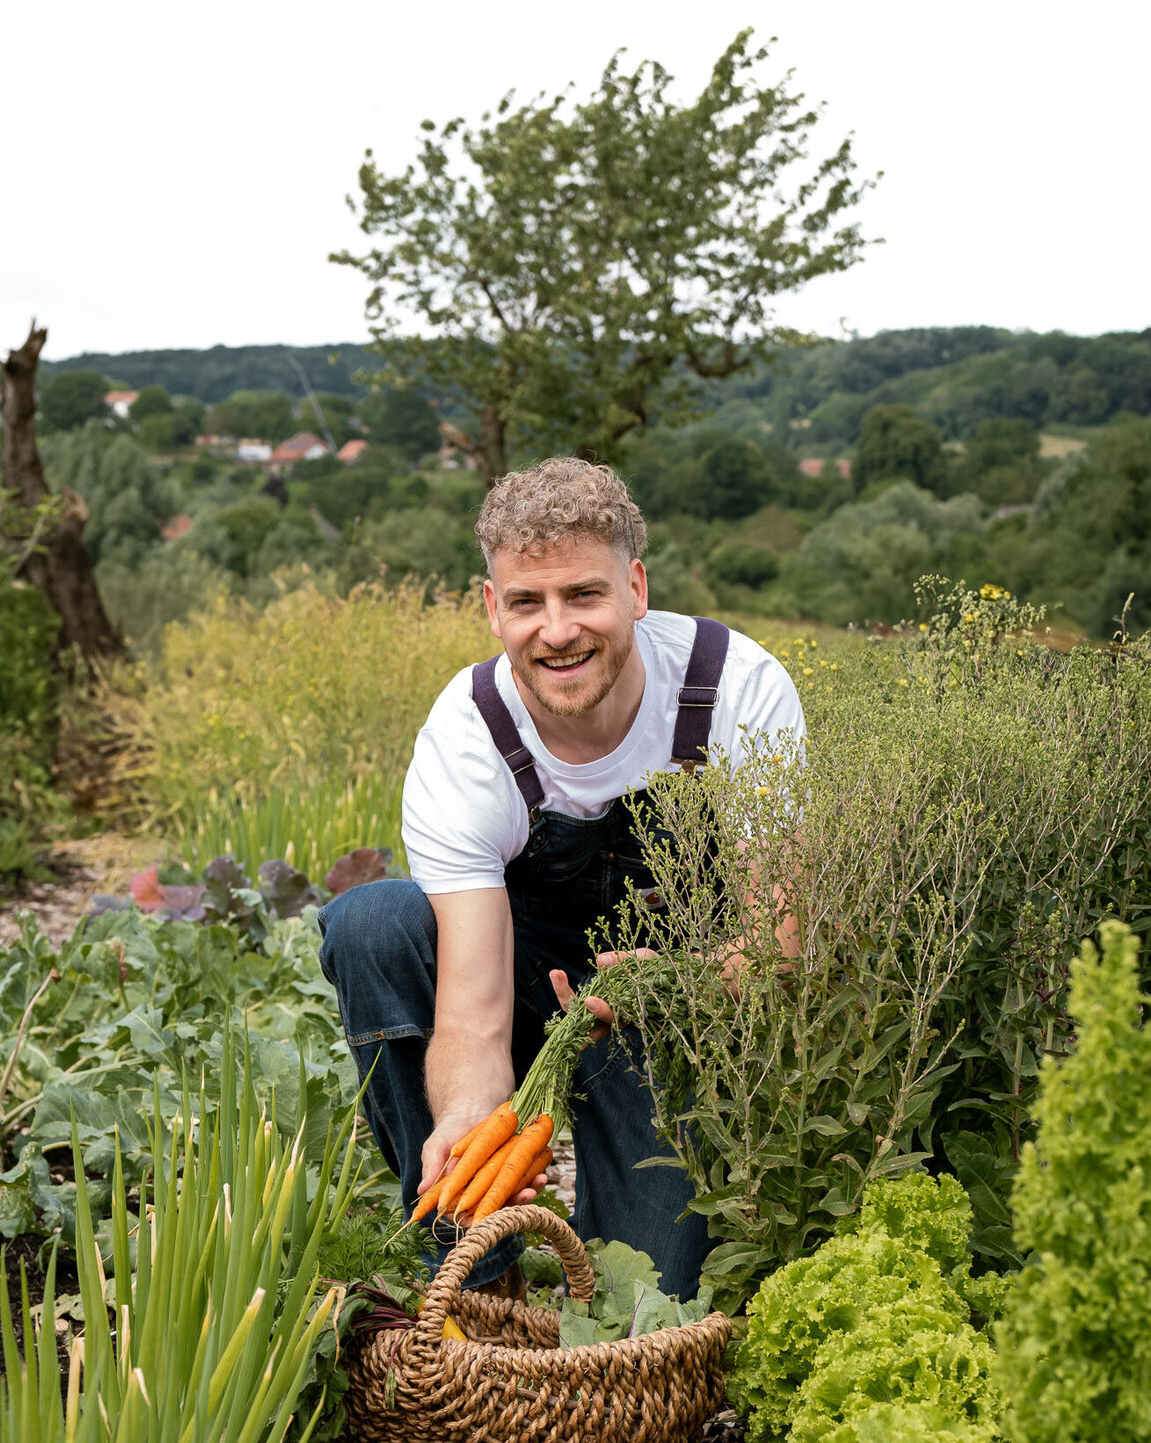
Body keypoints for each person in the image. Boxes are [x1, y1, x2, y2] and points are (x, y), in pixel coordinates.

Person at [317, 458, 804, 1298]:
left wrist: (684, 987)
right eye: (526, 603)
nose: (557, 631)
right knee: (374, 924)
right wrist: (471, 1121)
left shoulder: (735, 691)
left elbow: (784, 947)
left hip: (674, 1009)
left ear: (637, 587)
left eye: (583, 595)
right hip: (525, 977)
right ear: (491, 608)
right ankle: (477, 1281)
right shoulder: (470, 737)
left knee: (649, 1292)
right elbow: (471, 1016)